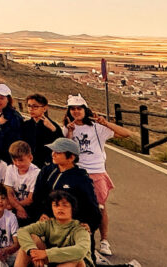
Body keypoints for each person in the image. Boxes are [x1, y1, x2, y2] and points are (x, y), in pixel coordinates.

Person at [63, 95, 130, 256]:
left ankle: (104, 240)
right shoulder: (68, 128)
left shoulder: (96, 127)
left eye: (79, 108)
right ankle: (81, 239)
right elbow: (67, 150)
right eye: (73, 109)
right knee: (76, 207)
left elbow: (125, 133)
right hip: (77, 171)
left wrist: (105, 123)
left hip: (96, 171)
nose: (76, 112)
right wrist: (70, 132)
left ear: (85, 110)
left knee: (99, 208)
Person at [30, 139, 101, 237]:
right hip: (48, 224)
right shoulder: (47, 171)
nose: (53, 154)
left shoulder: (82, 179)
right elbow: (37, 197)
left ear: (71, 157)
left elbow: (92, 208)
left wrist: (90, 225)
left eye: (58, 152)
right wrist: (41, 214)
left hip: (70, 228)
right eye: (53, 151)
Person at [15, 191, 93, 267]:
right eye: (56, 205)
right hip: (53, 262)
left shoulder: (80, 228)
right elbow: (22, 231)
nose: (60, 208)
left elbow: (81, 251)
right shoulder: (48, 223)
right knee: (30, 241)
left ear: (72, 208)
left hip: (77, 264)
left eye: (65, 205)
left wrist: (46, 253)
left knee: (75, 260)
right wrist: (33, 251)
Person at [21, 94, 61, 169]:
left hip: (47, 166)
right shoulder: (25, 125)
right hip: (29, 165)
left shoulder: (53, 126)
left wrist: (53, 129)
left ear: (44, 108)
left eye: (35, 106)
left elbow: (60, 145)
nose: (31, 109)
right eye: (29, 106)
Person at [4, 141, 41, 223]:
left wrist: (17, 206)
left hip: (29, 209)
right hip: (14, 206)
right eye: (14, 160)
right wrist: (18, 207)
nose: (17, 163)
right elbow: (8, 191)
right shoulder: (10, 168)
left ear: (30, 158)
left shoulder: (37, 172)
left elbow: (30, 199)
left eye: (21, 160)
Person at [0, 85, 24, 164]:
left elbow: (15, 138)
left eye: (2, 98)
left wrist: (2, 126)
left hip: (6, 157)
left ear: (8, 99)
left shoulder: (14, 117)